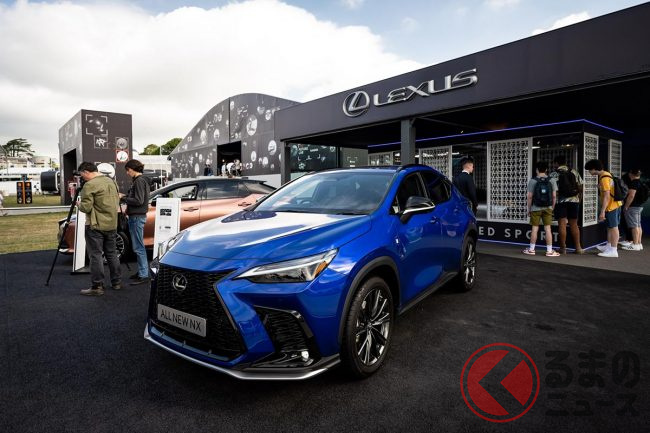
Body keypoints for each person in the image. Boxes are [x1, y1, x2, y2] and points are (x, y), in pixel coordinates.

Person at [75, 162, 122, 296]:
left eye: (82, 175)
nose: (82, 178)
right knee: (112, 254)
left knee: (95, 255)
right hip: (112, 224)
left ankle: (97, 286)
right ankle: (116, 282)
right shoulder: (112, 182)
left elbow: (86, 207)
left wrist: (79, 204)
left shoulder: (89, 185)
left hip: (95, 225)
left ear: (86, 172)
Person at [120, 159, 151, 285]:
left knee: (138, 247)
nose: (127, 173)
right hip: (137, 216)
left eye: (128, 170)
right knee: (138, 246)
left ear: (133, 169)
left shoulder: (139, 181)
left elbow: (138, 200)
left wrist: (123, 197)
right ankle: (142, 272)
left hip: (137, 217)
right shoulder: (141, 180)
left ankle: (144, 274)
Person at [584, 159, 623, 258]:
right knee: (610, 227)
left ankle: (613, 250)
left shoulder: (604, 178)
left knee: (614, 227)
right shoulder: (606, 174)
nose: (589, 172)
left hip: (611, 206)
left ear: (594, 169)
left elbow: (607, 196)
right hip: (615, 205)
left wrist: (602, 211)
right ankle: (609, 246)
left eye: (589, 170)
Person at [523, 161, 560, 257]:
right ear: (546, 169)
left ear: (537, 170)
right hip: (548, 208)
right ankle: (549, 251)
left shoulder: (533, 180)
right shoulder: (552, 180)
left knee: (534, 229)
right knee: (548, 229)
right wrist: (552, 207)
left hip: (535, 208)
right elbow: (554, 196)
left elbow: (529, 197)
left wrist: (529, 209)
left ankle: (531, 249)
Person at [550, 155, 584, 254]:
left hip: (560, 202)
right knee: (574, 224)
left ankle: (563, 248)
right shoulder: (574, 172)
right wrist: (579, 199)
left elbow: (553, 191)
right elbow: (581, 187)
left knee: (562, 224)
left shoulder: (553, 174)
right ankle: (578, 248)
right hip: (574, 201)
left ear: (556, 163)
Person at [621, 168, 647, 251]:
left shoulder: (634, 183)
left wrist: (626, 206)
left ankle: (635, 244)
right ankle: (638, 243)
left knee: (634, 226)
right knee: (638, 225)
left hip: (632, 207)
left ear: (631, 173)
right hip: (639, 206)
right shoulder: (640, 182)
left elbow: (631, 195)